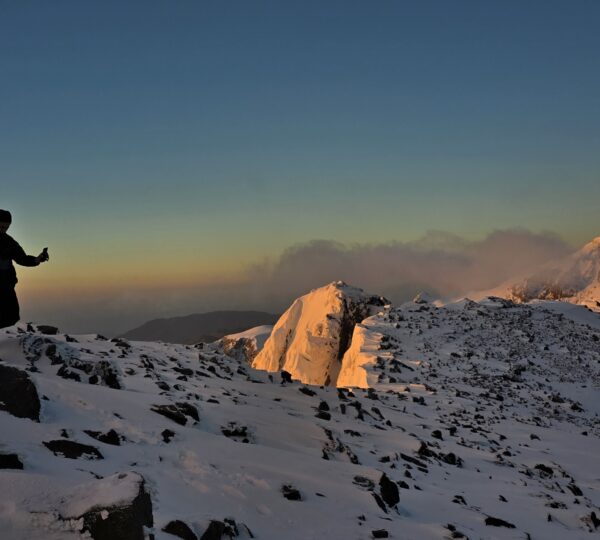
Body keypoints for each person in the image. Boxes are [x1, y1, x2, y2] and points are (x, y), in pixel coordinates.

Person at [0, 209, 49, 329]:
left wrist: (38, 259)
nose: (3, 229)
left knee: (11, 318)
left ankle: (7, 344)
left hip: (6, 287)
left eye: (6, 227)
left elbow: (22, 258)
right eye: (1, 226)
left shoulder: (9, 242)